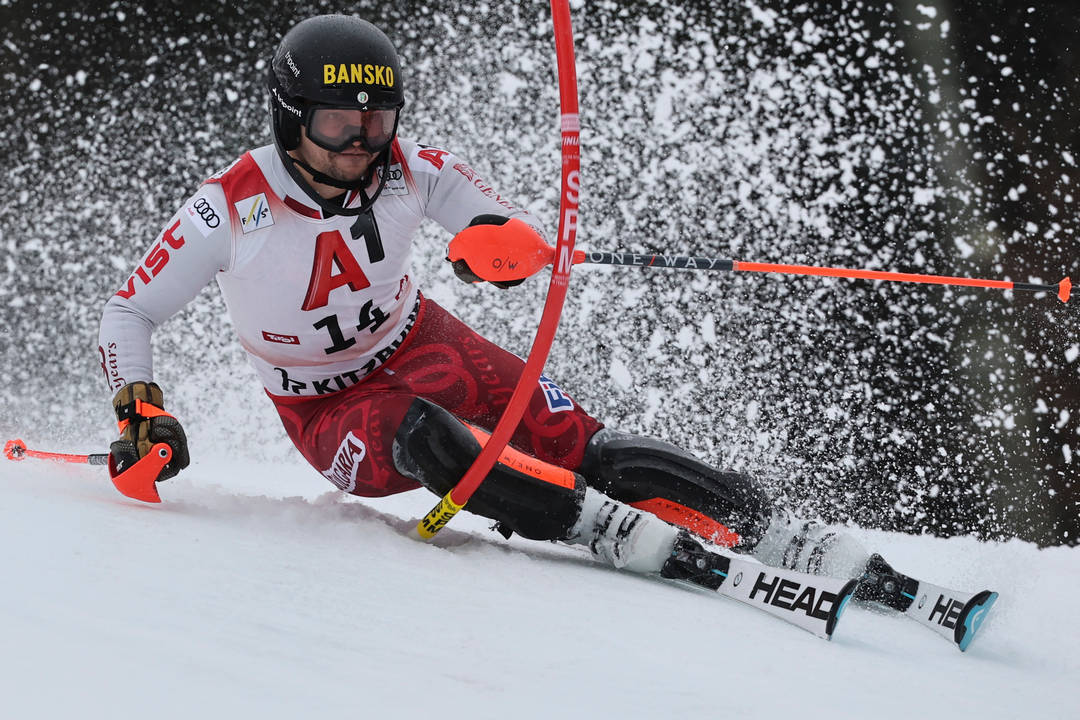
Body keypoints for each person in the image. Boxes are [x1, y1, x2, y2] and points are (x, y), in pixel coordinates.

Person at [98, 15, 920, 612]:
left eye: (378, 123)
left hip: (420, 339)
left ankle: (779, 530)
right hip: (325, 406)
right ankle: (594, 527)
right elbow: (128, 313)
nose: (360, 145)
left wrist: (497, 248)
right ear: (289, 117)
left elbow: (499, 224)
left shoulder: (408, 169)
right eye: (338, 124)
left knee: (582, 439)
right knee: (429, 437)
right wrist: (143, 411)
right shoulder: (226, 210)